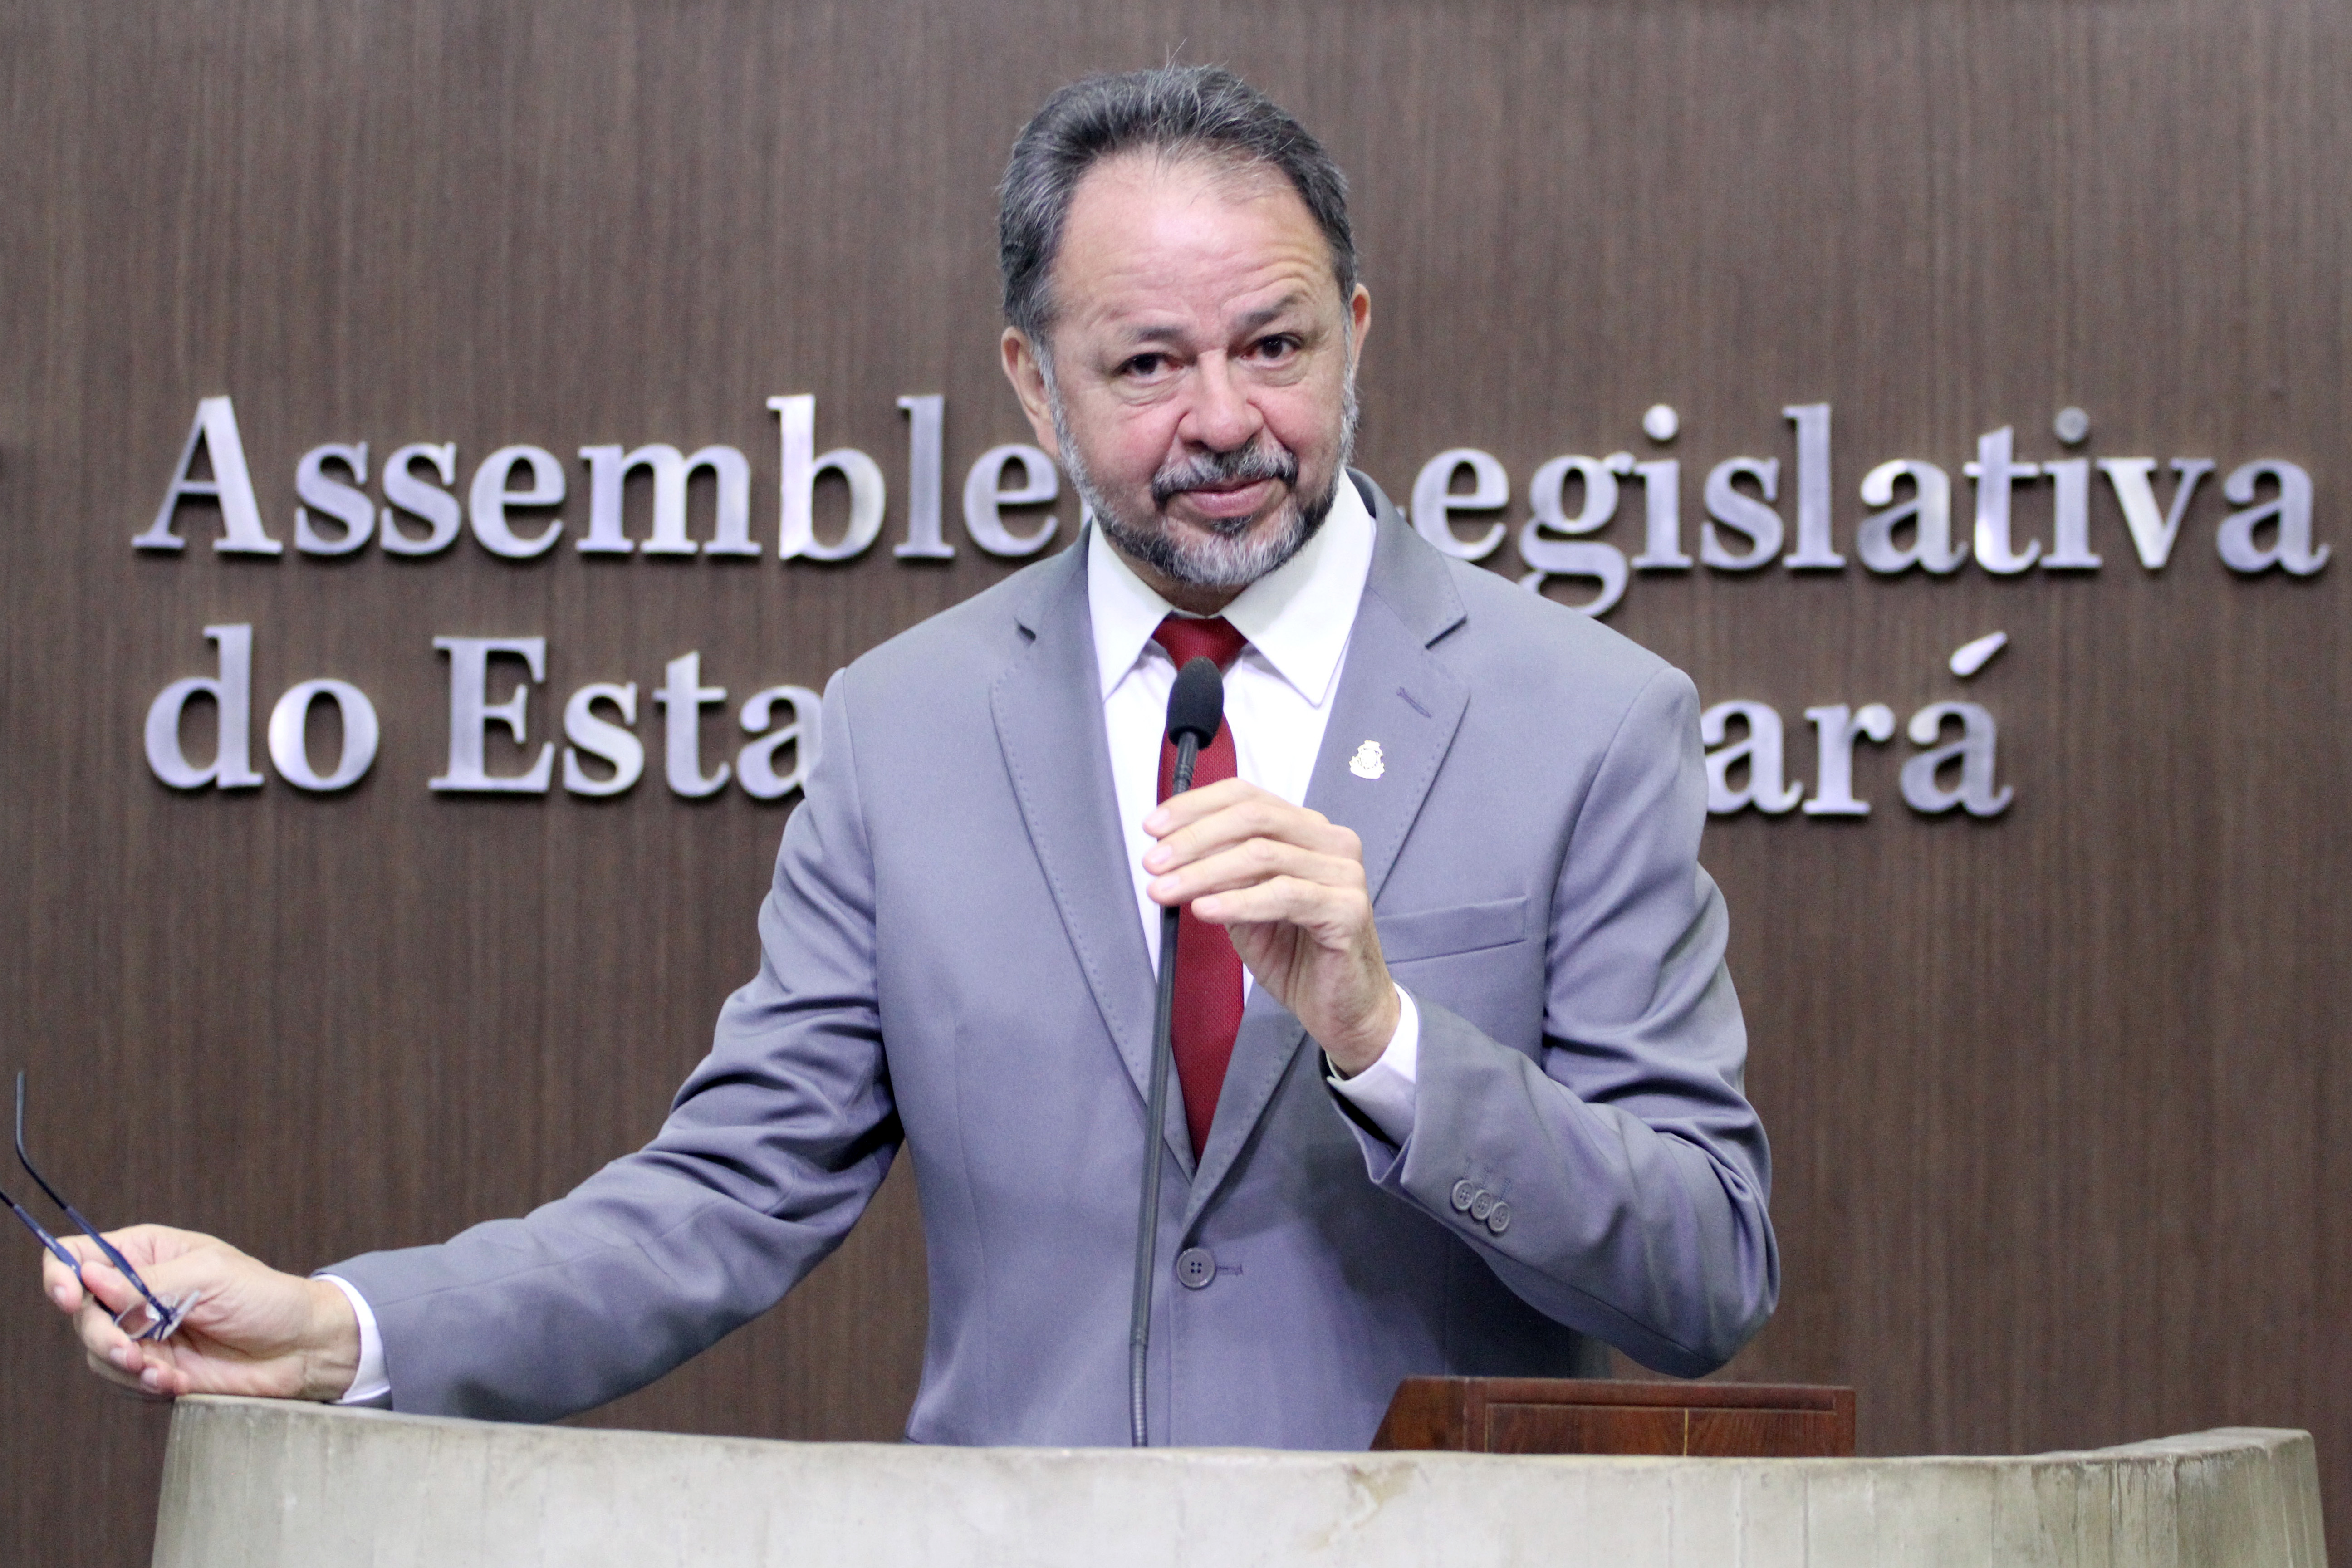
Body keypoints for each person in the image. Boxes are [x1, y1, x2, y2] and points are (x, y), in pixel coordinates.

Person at [45, 65, 1777, 1448]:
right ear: (1034, 384)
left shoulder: (1587, 717)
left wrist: (1390, 1046)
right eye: (1148, 364)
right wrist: (342, 1329)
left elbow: (1708, 1270)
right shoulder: (906, 727)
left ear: (1359, 330)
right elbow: (725, 1198)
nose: (1226, 418)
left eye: (1276, 345)